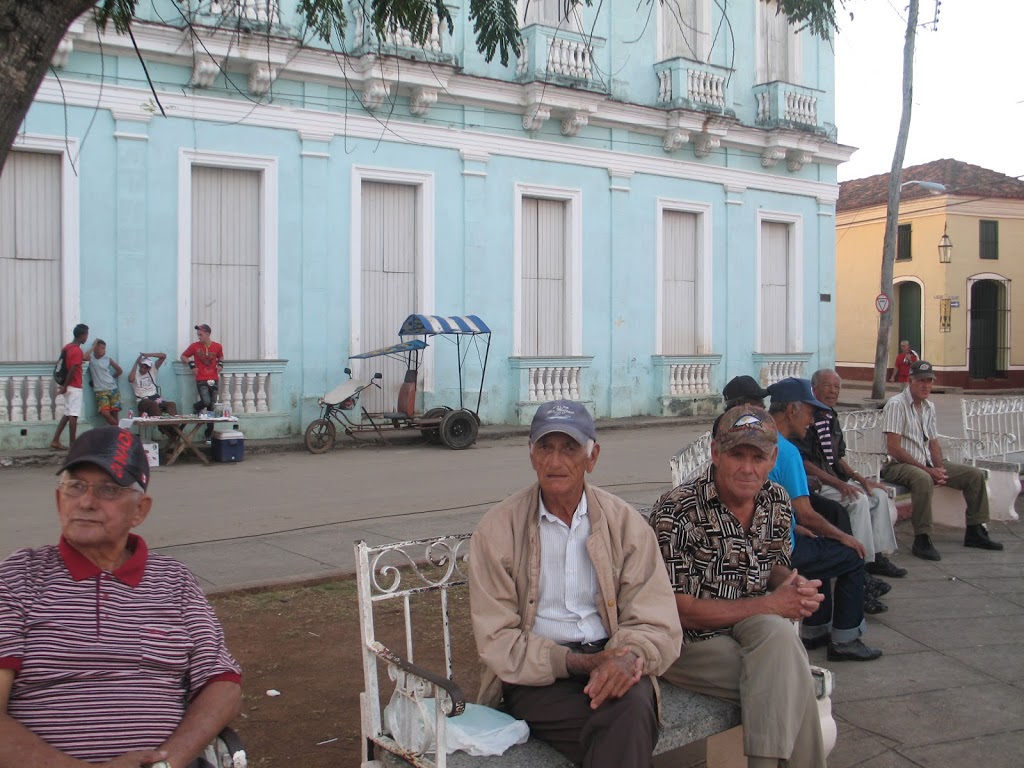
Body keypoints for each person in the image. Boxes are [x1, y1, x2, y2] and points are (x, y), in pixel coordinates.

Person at [0, 426, 242, 766]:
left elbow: (223, 685)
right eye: (75, 486)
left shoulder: (174, 580)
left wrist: (164, 763)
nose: (86, 502)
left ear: (139, 510)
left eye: (108, 489)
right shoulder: (19, 577)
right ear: (59, 499)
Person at [469, 400, 682, 767]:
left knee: (631, 707)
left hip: (614, 658)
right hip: (536, 677)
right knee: (627, 727)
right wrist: (577, 663)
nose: (555, 461)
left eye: (569, 448)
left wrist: (628, 656)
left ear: (592, 456)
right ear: (531, 454)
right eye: (545, 447)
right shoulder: (498, 530)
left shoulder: (624, 524)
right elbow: (497, 638)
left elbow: (655, 617)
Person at [650, 404, 827, 768]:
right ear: (716, 453)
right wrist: (771, 605)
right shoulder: (676, 511)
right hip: (688, 642)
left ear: (772, 459)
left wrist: (792, 585)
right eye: (736, 455)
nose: (747, 468)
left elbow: (773, 564)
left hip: (751, 626)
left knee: (779, 641)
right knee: (789, 679)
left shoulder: (776, 502)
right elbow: (679, 611)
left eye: (758, 457)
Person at [766, 377, 883, 660]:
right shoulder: (787, 452)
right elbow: (806, 513)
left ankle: (816, 628)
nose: (812, 420)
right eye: (809, 412)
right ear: (792, 410)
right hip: (777, 551)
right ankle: (846, 639)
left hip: (765, 540)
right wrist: (845, 537)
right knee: (851, 556)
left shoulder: (758, 439)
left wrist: (795, 527)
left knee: (821, 546)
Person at [881, 360, 1003, 560]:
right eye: (921, 381)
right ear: (910, 381)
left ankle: (976, 530)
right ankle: (922, 538)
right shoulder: (896, 405)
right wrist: (928, 471)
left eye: (929, 381)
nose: (926, 385)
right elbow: (893, 448)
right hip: (897, 464)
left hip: (925, 462)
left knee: (974, 475)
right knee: (922, 479)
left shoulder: (928, 407)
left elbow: (934, 443)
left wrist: (939, 469)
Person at [798, 369, 905, 579]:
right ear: (814, 389)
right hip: (817, 483)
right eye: (827, 386)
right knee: (857, 500)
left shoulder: (831, 416)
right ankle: (860, 563)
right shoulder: (808, 418)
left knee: (878, 495)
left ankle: (878, 557)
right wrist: (839, 484)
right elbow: (805, 462)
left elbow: (837, 457)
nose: (833, 391)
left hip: (834, 479)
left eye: (837, 387)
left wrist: (861, 480)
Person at [50, 324, 90, 450]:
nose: (87, 337)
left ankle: (55, 440)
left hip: (68, 385)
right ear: (82, 335)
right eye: (86, 335)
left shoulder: (67, 347)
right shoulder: (77, 351)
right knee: (73, 415)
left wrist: (64, 386)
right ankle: (73, 444)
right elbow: (73, 369)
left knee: (67, 414)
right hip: (74, 386)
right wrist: (66, 386)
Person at [181, 324, 224, 439]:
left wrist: (220, 364)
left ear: (208, 334)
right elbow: (184, 356)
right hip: (201, 378)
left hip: (213, 378)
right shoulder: (194, 346)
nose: (199, 337)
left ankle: (208, 434)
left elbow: (221, 357)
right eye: (198, 335)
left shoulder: (217, 346)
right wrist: (192, 365)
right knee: (205, 401)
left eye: (201, 335)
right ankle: (196, 407)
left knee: (212, 407)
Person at [130, 352, 179, 417]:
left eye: (146, 368)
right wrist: (136, 363)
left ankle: (172, 422)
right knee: (153, 405)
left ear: (149, 368)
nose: (143, 370)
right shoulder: (135, 374)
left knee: (171, 405)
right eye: (142, 367)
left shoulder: (152, 370)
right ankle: (160, 421)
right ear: (140, 365)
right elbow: (130, 379)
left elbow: (163, 356)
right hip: (143, 400)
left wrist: (149, 355)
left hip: (155, 397)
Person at [88, 339, 124, 427]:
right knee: (105, 413)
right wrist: (93, 346)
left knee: (115, 412)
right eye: (102, 348)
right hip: (100, 391)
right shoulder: (91, 359)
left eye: (104, 348)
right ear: (95, 348)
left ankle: (116, 432)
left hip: (113, 389)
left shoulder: (108, 359)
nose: (104, 350)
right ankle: (120, 428)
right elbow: (83, 357)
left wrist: (112, 378)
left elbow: (119, 370)